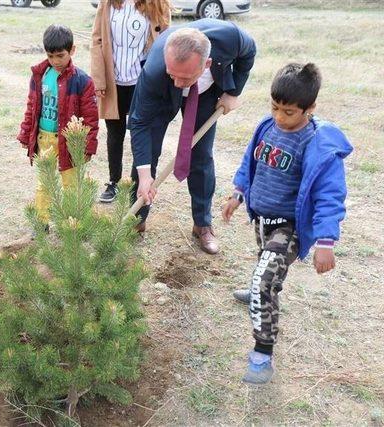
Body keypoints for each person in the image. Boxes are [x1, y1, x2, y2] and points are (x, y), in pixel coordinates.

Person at [222, 63, 352, 384]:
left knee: (264, 277)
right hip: (262, 219)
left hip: (289, 226)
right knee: (265, 269)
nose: (280, 116)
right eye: (275, 107)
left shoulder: (316, 145)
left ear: (310, 109)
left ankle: (262, 353)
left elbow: (328, 195)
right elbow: (249, 162)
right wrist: (238, 193)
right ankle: (260, 288)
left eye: (290, 112)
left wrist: (325, 241)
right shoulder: (266, 126)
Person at [128, 19, 256, 254]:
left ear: (206, 64)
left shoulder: (231, 38)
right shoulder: (156, 71)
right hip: (161, 94)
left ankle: (202, 224)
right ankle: (135, 219)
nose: (178, 82)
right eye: (173, 75)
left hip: (206, 94)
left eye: (184, 78)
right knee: (147, 155)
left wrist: (233, 91)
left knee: (201, 156)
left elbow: (249, 53)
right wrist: (145, 175)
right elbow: (139, 123)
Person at [17, 25, 99, 225]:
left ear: (72, 50)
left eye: (60, 56)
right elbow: (32, 106)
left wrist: (87, 146)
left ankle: (71, 225)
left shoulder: (82, 81)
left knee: (70, 184)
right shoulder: (40, 75)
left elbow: (90, 117)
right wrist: (25, 133)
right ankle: (41, 222)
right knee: (45, 183)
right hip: (44, 138)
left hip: (69, 142)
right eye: (51, 56)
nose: (56, 61)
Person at [90, 0, 170, 203]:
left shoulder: (157, 3)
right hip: (113, 80)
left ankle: (138, 185)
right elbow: (97, 39)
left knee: (140, 133)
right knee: (115, 134)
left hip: (142, 81)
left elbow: (167, 40)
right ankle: (114, 182)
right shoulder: (108, 3)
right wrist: (99, 78)